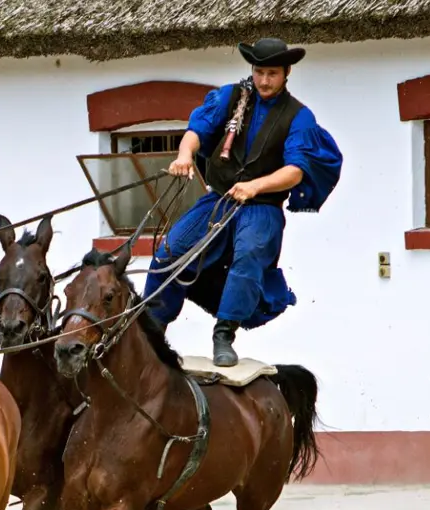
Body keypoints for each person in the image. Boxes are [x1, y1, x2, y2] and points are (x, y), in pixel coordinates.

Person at [141, 37, 343, 367]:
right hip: (218, 200)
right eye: (260, 71)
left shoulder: (299, 117)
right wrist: (184, 154)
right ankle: (152, 329)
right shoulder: (228, 97)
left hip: (262, 208)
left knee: (249, 256)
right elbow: (198, 129)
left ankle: (224, 334)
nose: (264, 80)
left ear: (286, 72)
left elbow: (295, 171)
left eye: (272, 73)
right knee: (172, 250)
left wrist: (254, 187)